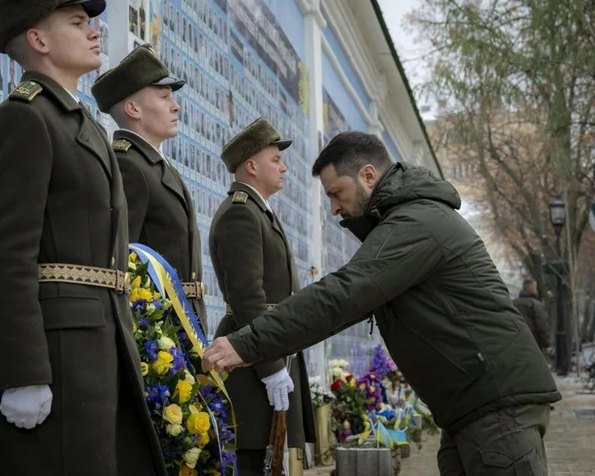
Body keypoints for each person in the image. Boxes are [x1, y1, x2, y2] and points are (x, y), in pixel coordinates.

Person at [203, 131, 562, 475]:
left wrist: (246, 343)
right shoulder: (407, 220)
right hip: (474, 405)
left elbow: (344, 294)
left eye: (336, 193)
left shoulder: (417, 222)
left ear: (368, 175)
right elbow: (346, 304)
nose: (333, 208)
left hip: (496, 405)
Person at [0, 0, 165, 475]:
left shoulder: (82, 126)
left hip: (102, 340)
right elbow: (2, 256)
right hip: (59, 353)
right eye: (77, 22)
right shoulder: (24, 120)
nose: (94, 31)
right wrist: (23, 371)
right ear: (38, 40)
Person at [205, 117, 314, 474]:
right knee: (253, 459)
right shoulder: (241, 214)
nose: (283, 168)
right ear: (251, 166)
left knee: (271, 460)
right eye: (275, 160)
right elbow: (247, 299)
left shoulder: (259, 212)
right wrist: (269, 367)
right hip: (251, 357)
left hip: (267, 347)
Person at [92, 45, 207, 329]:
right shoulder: (129, 166)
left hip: (180, 324)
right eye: (165, 97)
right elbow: (122, 263)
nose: (175, 105)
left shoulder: (158, 167)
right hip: (157, 331)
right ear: (133, 109)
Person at [513, 278, 552, 357]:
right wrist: (546, 344)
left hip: (515, 343)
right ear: (533, 288)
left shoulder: (512, 303)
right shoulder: (535, 304)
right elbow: (541, 325)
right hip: (533, 343)